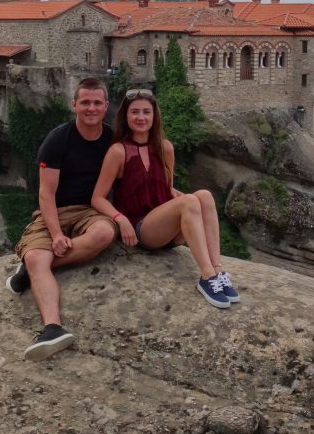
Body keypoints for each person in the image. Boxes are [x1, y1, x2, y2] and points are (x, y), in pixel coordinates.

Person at [90, 88, 240, 308]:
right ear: (126, 116)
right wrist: (120, 219)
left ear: (154, 116)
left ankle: (217, 271)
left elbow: (167, 188)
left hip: (168, 229)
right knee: (190, 201)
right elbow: (97, 198)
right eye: (135, 112)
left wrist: (189, 200)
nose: (141, 117)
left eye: (146, 112)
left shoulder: (165, 148)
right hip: (142, 229)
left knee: (205, 196)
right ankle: (207, 277)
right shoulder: (118, 151)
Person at [7, 77, 118, 360]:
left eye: (96, 103)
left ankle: (30, 272)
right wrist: (56, 234)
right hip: (55, 209)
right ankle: (53, 328)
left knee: (104, 234)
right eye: (85, 102)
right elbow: (46, 194)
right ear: (74, 105)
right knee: (35, 257)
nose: (91, 108)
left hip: (92, 210)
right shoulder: (58, 140)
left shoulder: (113, 141)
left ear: (106, 106)